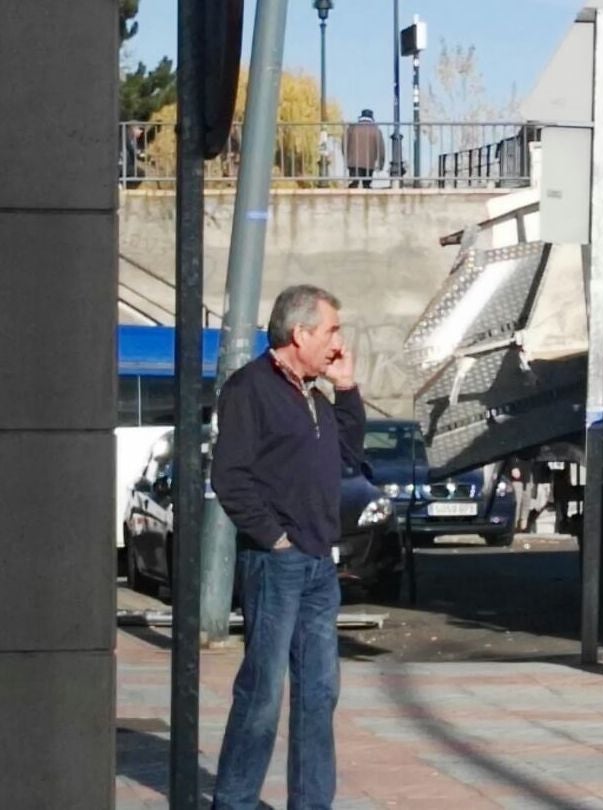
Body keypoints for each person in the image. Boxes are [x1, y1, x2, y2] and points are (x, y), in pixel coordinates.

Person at [210, 285, 365, 808]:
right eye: (331, 332)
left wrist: (346, 389)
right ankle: (233, 800)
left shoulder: (312, 394)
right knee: (262, 693)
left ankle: (311, 802)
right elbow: (229, 478)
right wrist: (274, 539)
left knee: (319, 694)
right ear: (300, 334)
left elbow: (347, 454)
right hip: (277, 564)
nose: (338, 344)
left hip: (319, 564)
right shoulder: (250, 389)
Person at [344, 109, 385, 188]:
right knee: (367, 184)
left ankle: (353, 187)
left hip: (353, 162)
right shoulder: (376, 130)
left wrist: (347, 157)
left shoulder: (351, 128)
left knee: (354, 183)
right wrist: (381, 164)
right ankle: (367, 189)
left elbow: (344, 144)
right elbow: (381, 149)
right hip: (369, 163)